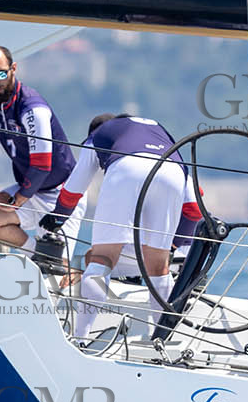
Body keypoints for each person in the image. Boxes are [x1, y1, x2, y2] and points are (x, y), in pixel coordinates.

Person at [40, 114, 201, 338]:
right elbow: (194, 209)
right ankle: (161, 339)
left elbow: (74, 187)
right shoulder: (162, 133)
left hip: (127, 169)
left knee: (101, 260)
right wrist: (175, 246)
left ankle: (80, 338)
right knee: (158, 267)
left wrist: (57, 217)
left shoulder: (98, 135)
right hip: (171, 173)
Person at [0, 45, 85, 253]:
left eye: (0, 74)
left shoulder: (32, 108)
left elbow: (42, 166)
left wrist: (13, 202)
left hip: (61, 196)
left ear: (13, 69)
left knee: (58, 272)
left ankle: (48, 260)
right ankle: (35, 253)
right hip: (31, 191)